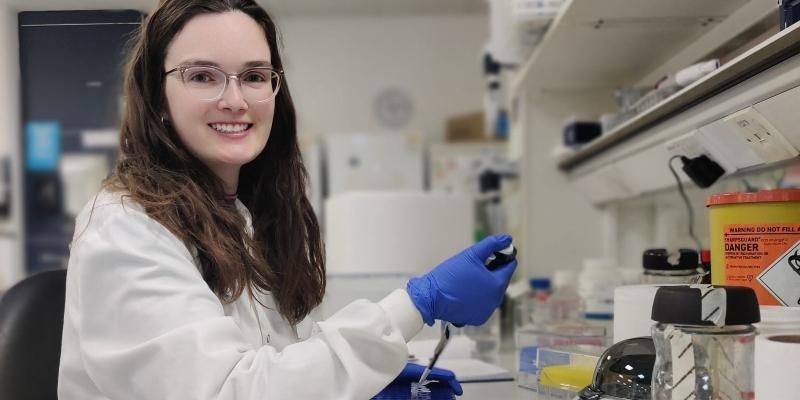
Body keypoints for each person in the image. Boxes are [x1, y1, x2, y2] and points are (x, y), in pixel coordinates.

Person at [56, 0, 518, 399]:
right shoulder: (125, 228)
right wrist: (416, 305)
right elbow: (227, 391)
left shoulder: (241, 216)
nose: (235, 100)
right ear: (157, 97)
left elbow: (279, 361)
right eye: (201, 76)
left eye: (255, 76)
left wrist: (364, 382)